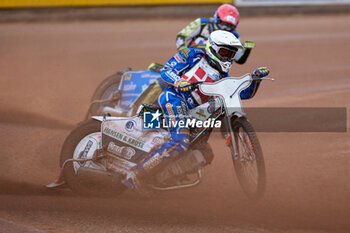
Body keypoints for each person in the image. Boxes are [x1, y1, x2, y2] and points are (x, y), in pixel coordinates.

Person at [123, 30, 269, 191]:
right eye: (225, 52)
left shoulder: (222, 75)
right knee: (180, 142)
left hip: (192, 111)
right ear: (213, 48)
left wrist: (256, 80)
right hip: (174, 99)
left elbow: (243, 93)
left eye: (232, 54)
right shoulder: (193, 54)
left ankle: (163, 177)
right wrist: (178, 81)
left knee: (204, 153)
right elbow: (166, 70)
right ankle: (136, 174)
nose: (228, 58)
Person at [176, 3, 254, 65]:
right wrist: (184, 51)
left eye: (229, 26)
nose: (224, 28)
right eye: (222, 23)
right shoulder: (202, 23)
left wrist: (247, 50)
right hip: (192, 60)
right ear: (217, 18)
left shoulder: (234, 36)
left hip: (215, 67)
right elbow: (182, 36)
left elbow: (238, 59)